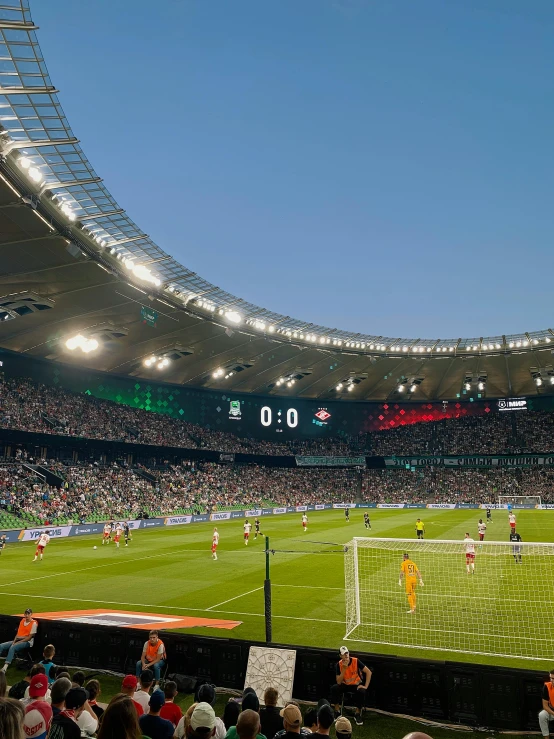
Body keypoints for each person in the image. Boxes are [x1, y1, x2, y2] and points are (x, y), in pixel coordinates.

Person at [330, 646, 371, 725]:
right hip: (345, 685)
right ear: (340, 656)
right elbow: (338, 682)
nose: (346, 655)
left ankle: (357, 714)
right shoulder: (339, 665)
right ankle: (337, 712)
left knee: (362, 691)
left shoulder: (356, 661)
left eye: (347, 653)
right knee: (334, 688)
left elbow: (369, 672)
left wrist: (365, 686)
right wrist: (344, 669)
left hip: (356, 685)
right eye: (344, 654)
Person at [0, 607, 38, 672]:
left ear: (31, 614)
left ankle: (5, 667)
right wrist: (14, 641)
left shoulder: (34, 623)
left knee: (12, 647)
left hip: (28, 642)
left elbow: (29, 638)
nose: (27, 615)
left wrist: (18, 642)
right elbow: (18, 634)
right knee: (1, 645)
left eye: (28, 614)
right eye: (26, 614)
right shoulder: (22, 621)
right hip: (19, 640)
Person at [540, 670, 554, 739]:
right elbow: (545, 706)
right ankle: (546, 737)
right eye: (551, 678)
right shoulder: (547, 686)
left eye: (553, 678)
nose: (552, 680)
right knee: (542, 715)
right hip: (552, 711)